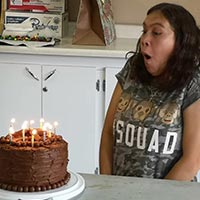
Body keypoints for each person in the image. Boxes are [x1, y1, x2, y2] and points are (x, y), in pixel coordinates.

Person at [99, 3, 200, 181]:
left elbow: (192, 160)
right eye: (144, 31)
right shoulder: (132, 69)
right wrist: (108, 185)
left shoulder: (193, 83)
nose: (145, 39)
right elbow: (108, 133)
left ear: (181, 42)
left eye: (157, 32)